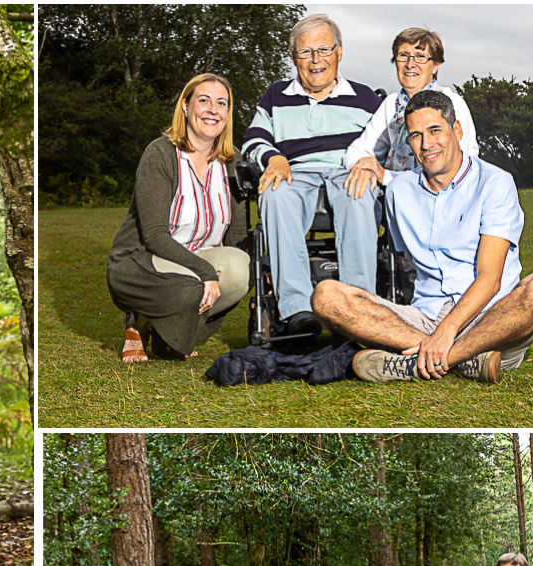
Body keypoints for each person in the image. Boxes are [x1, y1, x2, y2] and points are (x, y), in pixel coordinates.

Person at [313, 90, 533, 383]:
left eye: (435, 130)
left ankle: (426, 361)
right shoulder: (398, 192)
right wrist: (423, 329)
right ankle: (463, 359)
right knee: (327, 296)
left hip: (492, 319)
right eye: (416, 135)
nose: (426, 144)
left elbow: (491, 278)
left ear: (457, 130)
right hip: (426, 317)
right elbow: (404, 266)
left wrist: (447, 332)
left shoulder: (495, 183)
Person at [237, 14, 386, 340]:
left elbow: (389, 143)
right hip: (295, 171)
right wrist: (272, 156)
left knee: (358, 192)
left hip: (347, 170)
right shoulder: (276, 96)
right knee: (274, 194)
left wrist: (374, 164)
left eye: (324, 49)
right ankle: (297, 309)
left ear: (340, 52)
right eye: (306, 52)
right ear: (294, 57)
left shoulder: (366, 99)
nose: (316, 60)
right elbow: (253, 141)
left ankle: (358, 306)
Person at [107, 73, 249, 363]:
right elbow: (155, 236)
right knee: (191, 289)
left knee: (244, 270)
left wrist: (264, 269)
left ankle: (172, 337)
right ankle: (138, 325)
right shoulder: (160, 154)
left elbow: (237, 234)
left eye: (221, 103)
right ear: (185, 106)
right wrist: (206, 273)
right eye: (204, 100)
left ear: (227, 113)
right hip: (145, 260)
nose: (213, 109)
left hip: (198, 260)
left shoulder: (233, 161)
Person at [338, 27, 475, 199]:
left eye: (420, 57)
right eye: (403, 55)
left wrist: (386, 176)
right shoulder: (391, 105)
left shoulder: (452, 104)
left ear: (435, 66)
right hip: (400, 200)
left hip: (446, 201)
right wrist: (363, 167)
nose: (410, 64)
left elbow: (450, 173)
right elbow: (356, 152)